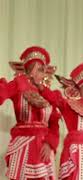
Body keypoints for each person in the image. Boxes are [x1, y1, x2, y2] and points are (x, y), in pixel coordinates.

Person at [39, 62, 83, 180]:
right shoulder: (70, 106)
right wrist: (40, 87)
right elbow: (55, 99)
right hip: (75, 157)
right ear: (78, 89)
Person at [0, 46, 60, 179]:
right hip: (23, 147)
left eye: (44, 70)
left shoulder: (48, 94)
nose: (43, 74)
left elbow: (54, 124)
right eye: (39, 69)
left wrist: (50, 143)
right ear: (30, 70)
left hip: (43, 150)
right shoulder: (18, 85)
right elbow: (1, 94)